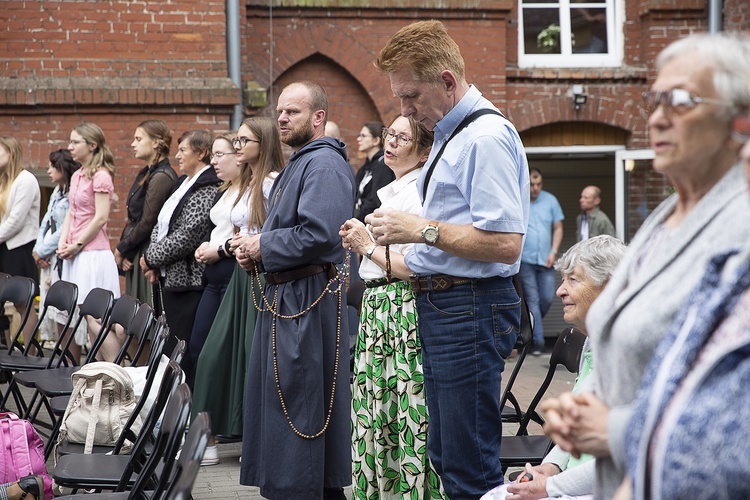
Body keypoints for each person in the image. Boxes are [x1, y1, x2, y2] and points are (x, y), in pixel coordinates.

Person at [540, 33, 750, 499]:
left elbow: (730, 412)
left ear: (738, 120)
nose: (656, 117)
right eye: (655, 100)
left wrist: (613, 430)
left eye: (679, 101)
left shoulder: (738, 230)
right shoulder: (665, 217)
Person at [370, 20, 530, 499]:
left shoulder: (483, 137)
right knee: (446, 454)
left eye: (411, 95)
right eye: (399, 97)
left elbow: (506, 243)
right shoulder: (450, 132)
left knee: (466, 464)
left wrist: (418, 230)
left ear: (446, 80)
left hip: (470, 306)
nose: (405, 110)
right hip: (451, 305)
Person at [615, 124, 750, 500]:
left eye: (681, 101)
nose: (746, 155)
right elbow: (671, 383)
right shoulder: (725, 270)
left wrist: (612, 430)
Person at [236, 81, 355, 499]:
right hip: (288, 297)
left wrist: (263, 245)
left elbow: (322, 236)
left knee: (300, 405)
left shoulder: (322, 164)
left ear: (318, 117)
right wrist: (259, 253)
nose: (282, 118)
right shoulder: (301, 161)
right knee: (285, 403)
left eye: (294, 112)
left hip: (306, 300)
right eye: (280, 112)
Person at [340, 115, 444, 499]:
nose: (392, 142)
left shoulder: (418, 193)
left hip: (400, 306)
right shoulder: (394, 187)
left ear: (424, 151)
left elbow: (413, 267)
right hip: (378, 305)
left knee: (405, 409)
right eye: (390, 134)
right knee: (377, 410)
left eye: (404, 137)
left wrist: (367, 246)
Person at [482, 235, 626, 500]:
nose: (560, 290)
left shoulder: (631, 354)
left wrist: (550, 487)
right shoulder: (595, 342)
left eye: (573, 279)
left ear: (609, 286)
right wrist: (550, 467)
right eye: (563, 280)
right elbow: (573, 430)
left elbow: (627, 460)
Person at [191, 117, 282, 466]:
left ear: (264, 143)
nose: (238, 147)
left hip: (260, 277)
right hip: (242, 279)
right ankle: (210, 435)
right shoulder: (244, 183)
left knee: (251, 358)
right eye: (238, 142)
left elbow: (273, 231)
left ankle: (255, 443)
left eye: (245, 141)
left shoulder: (272, 182)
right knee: (213, 354)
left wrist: (241, 247)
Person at [140, 129, 221, 383]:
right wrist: (153, 260)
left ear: (201, 153)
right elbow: (161, 224)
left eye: (183, 150)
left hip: (189, 281)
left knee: (180, 350)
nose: (177, 156)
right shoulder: (184, 182)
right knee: (167, 346)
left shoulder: (207, 186)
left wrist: (152, 258)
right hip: (169, 275)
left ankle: (179, 412)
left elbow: (188, 234)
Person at [58, 122, 121, 361]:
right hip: (76, 253)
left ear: (92, 145)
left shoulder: (101, 175)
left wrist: (77, 244)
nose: (70, 147)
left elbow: (101, 217)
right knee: (84, 316)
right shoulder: (77, 175)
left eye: (75, 142)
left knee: (95, 317)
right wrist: (63, 243)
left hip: (93, 254)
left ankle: (117, 373)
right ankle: (98, 374)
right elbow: (72, 212)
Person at [115, 120, 177, 313]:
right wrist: (125, 249)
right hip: (137, 249)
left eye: (138, 139)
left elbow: (148, 221)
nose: (133, 144)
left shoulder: (161, 177)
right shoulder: (147, 173)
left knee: (141, 320)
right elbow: (133, 218)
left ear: (156, 143)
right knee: (130, 321)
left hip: (147, 250)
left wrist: (121, 249)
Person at [33, 149, 80, 344]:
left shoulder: (72, 194)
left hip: (62, 257)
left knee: (65, 315)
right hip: (49, 258)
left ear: (63, 168)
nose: (49, 170)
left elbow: (64, 230)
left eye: (53, 166)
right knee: (53, 314)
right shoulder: (56, 191)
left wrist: (42, 250)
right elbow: (46, 221)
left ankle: (70, 365)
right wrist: (37, 249)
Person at [0, 137, 41, 349]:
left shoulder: (26, 180)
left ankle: (29, 354)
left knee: (23, 304)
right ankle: (6, 355)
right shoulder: (4, 180)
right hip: (3, 247)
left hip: (18, 249)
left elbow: (15, 221)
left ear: (11, 153)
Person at [520, 167, 564, 355]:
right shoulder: (520, 200)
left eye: (539, 184)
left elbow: (558, 227)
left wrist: (554, 251)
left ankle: (531, 329)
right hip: (525, 260)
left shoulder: (551, 200)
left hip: (546, 260)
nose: (535, 188)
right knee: (533, 301)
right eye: (532, 185)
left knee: (546, 299)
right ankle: (537, 343)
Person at [353, 121, 394, 222]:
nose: (358, 139)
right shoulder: (364, 169)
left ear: (376, 140)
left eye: (363, 136)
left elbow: (375, 200)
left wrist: (357, 220)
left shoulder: (383, 165)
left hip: (370, 223)